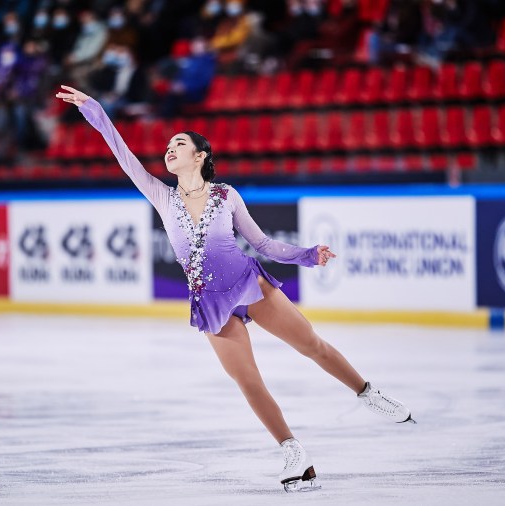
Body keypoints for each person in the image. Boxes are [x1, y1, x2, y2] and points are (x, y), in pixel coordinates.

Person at [55, 85, 416, 493]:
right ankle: (294, 452)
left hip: (250, 285)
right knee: (249, 380)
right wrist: (96, 111)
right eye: (168, 145)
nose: (169, 149)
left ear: (200, 155)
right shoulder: (161, 197)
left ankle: (367, 392)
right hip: (211, 304)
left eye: (180, 143)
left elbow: (262, 244)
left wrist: (307, 254)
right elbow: (123, 154)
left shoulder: (226, 195)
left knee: (312, 345)